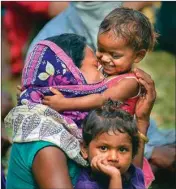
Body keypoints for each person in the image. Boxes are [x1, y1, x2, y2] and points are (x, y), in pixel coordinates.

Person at [5, 34, 156, 189]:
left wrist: (142, 121)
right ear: (70, 75)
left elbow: (132, 182)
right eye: (95, 66)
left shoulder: (71, 127)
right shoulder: (45, 139)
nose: (104, 75)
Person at [75, 100, 145, 189]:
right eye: (103, 148)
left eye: (122, 149)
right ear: (85, 149)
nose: (113, 158)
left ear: (133, 153)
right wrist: (115, 178)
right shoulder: (85, 186)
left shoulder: (134, 174)